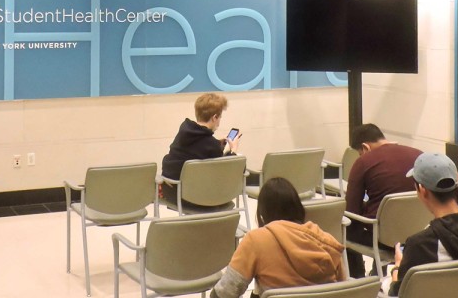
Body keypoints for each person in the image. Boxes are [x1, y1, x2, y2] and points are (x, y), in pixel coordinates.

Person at [210, 177, 344, 298]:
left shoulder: (256, 240)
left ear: (262, 214)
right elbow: (344, 292)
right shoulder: (328, 242)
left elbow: (224, 293)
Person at [388, 152, 458, 296]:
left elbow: (398, 293)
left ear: (422, 190)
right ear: (455, 185)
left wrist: (397, 267)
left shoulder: (421, 244)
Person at [344, 123, 422, 278]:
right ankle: (377, 271)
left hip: (383, 239)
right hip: (419, 233)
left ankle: (359, 281)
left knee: (343, 229)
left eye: (360, 153)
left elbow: (351, 211)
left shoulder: (364, 162)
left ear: (365, 147)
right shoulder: (419, 155)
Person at [160, 92, 241, 204]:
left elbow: (195, 149)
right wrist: (233, 150)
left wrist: (217, 143)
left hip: (171, 191)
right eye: (220, 117)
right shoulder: (210, 145)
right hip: (196, 198)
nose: (219, 121)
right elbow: (227, 171)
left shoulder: (184, 131)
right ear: (215, 117)